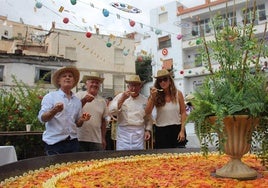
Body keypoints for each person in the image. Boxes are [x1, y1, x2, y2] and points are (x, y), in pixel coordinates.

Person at [38, 66, 91, 155]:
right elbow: (42, 118)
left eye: (70, 76)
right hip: (54, 143)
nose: (67, 77)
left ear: (74, 81)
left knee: (74, 169)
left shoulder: (77, 101)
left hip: (73, 142)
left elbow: (78, 124)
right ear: (59, 81)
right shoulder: (50, 97)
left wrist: (82, 119)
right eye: (64, 76)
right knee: (55, 169)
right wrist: (54, 110)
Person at [145, 69, 187, 149]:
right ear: (158, 83)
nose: (163, 82)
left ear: (170, 80)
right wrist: (152, 98)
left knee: (180, 157)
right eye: (160, 80)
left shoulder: (178, 94)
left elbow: (183, 112)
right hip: (161, 130)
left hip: (177, 128)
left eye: (165, 79)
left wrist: (182, 131)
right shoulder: (155, 95)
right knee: (163, 157)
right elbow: (147, 112)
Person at [109, 75, 152, 150]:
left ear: (140, 87)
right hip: (123, 133)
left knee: (138, 157)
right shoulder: (120, 96)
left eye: (136, 86)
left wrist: (147, 130)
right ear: (128, 86)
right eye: (131, 85)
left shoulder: (144, 100)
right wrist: (122, 99)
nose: (133, 88)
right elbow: (111, 111)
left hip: (138, 133)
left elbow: (148, 117)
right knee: (122, 157)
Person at [75, 72, 108, 151]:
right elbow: (73, 112)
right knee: (79, 162)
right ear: (87, 83)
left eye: (97, 83)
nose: (94, 84)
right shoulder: (78, 95)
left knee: (98, 163)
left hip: (96, 140)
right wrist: (84, 101)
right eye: (92, 82)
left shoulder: (102, 101)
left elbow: (103, 121)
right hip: (79, 138)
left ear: (99, 85)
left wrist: (103, 138)